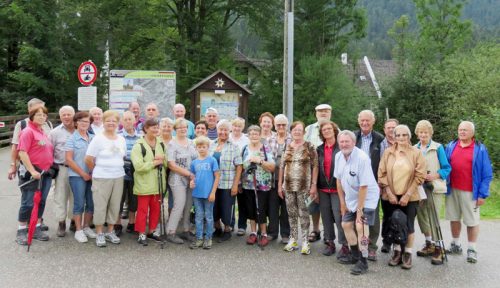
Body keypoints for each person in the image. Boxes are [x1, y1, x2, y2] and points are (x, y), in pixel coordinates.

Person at [378, 124, 426, 269]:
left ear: (409, 136)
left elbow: (420, 175)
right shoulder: (388, 152)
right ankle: (397, 252)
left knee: (409, 225)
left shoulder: (416, 153)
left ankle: (408, 253)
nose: (401, 137)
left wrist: (408, 194)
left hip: (410, 197)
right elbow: (382, 174)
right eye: (398, 135)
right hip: (391, 196)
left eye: (404, 135)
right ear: (394, 137)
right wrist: (389, 193)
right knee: (394, 223)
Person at [444, 121, 493, 264]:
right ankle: (455, 244)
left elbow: (487, 173)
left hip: (471, 192)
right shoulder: (450, 146)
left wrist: (482, 194)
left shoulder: (480, 149)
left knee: (471, 221)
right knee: (454, 218)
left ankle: (472, 248)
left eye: (465, 130)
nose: (462, 132)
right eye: (460, 129)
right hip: (452, 189)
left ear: (472, 132)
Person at [334, 130, 380, 275]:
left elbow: (364, 186)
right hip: (351, 198)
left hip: (366, 197)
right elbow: (339, 180)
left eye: (347, 141)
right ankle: (355, 256)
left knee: (361, 227)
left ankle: (364, 261)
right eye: (341, 142)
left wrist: (360, 211)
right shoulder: (338, 156)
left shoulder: (362, 158)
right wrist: (342, 203)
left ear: (353, 143)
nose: (344, 144)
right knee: (346, 224)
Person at [84, 110, 126, 247]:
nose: (111, 123)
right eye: (108, 121)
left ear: (118, 123)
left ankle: (110, 231)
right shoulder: (98, 139)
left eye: (114, 121)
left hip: (118, 176)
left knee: (115, 205)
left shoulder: (121, 139)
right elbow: (88, 159)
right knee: (101, 206)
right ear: (103, 122)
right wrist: (96, 170)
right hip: (102, 177)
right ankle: (100, 232)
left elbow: (122, 157)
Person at [414, 120, 451, 265]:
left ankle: (438, 247)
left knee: (433, 216)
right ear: (417, 134)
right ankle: (428, 243)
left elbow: (447, 168)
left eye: (426, 132)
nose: (423, 135)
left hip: (434, 187)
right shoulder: (414, 148)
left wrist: (434, 175)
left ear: (430, 133)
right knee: (422, 215)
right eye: (421, 132)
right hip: (419, 188)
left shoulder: (438, 148)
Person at [278, 121, 318, 255]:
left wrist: (314, 185)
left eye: (299, 129)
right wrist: (279, 186)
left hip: (304, 187)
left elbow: (315, 166)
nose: (297, 132)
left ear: (304, 132)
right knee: (291, 213)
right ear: (291, 132)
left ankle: (305, 241)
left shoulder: (309, 146)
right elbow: (282, 167)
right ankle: (293, 238)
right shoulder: (287, 146)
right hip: (288, 186)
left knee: (304, 213)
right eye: (294, 130)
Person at [15, 106, 53, 245]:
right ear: (31, 116)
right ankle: (21, 229)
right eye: (38, 115)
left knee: (41, 201)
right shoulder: (28, 131)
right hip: (32, 174)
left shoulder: (42, 132)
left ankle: (36, 227)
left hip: (45, 173)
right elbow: (22, 152)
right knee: (28, 202)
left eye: (44, 115)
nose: (42, 117)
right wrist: (32, 171)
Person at [131, 118, 167, 246]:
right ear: (146, 129)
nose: (156, 129)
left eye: (157, 127)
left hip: (158, 183)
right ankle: (141, 233)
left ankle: (152, 231)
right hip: (144, 184)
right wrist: (154, 163)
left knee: (156, 209)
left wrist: (162, 160)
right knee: (142, 210)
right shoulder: (138, 145)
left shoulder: (161, 144)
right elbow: (138, 167)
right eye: (153, 127)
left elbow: (166, 163)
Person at [354, 109, 384, 260]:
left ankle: (371, 247)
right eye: (362, 120)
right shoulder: (353, 137)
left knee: (371, 217)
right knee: (356, 214)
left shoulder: (380, 139)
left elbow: (384, 163)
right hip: (355, 184)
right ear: (358, 121)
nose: (365, 123)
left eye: (368, 120)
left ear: (373, 121)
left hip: (372, 184)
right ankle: (358, 245)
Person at [317, 121, 349, 258]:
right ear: (321, 133)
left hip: (338, 189)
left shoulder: (341, 147)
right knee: (326, 217)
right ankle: (329, 242)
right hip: (323, 188)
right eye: (324, 130)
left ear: (334, 130)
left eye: (329, 128)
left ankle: (345, 244)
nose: (327, 131)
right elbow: (316, 168)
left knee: (340, 216)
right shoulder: (319, 149)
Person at [65, 111, 97, 243]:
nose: (85, 124)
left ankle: (86, 227)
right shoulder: (72, 138)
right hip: (77, 176)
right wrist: (83, 174)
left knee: (91, 203)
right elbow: (69, 160)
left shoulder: (93, 137)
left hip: (93, 175)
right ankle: (78, 230)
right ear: (76, 122)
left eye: (87, 122)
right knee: (79, 203)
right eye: (82, 121)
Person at [241, 125, 275, 247]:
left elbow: (272, 166)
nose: (254, 136)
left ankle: (264, 234)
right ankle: (253, 233)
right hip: (248, 184)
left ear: (260, 135)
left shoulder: (265, 148)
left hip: (263, 185)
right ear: (248, 136)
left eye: (256, 133)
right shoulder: (245, 148)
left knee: (261, 208)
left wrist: (259, 161)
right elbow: (241, 166)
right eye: (251, 134)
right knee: (251, 209)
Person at [166, 118, 197, 244]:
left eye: (185, 127)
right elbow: (171, 165)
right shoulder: (172, 144)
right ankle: (170, 232)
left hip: (192, 179)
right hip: (178, 178)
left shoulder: (191, 142)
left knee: (188, 205)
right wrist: (189, 174)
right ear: (175, 130)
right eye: (179, 128)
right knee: (179, 204)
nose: (183, 129)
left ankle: (186, 230)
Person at [210, 119, 243, 242]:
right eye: (220, 129)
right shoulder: (211, 144)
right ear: (217, 130)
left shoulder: (234, 147)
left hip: (227, 183)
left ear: (229, 131)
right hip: (212, 184)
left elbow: (239, 166)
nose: (223, 132)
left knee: (226, 208)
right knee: (214, 207)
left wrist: (235, 185)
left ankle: (227, 230)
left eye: (225, 130)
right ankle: (217, 228)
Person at [304, 104, 332, 243]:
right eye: (320, 111)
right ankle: (315, 230)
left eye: (326, 111)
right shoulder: (308, 129)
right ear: (316, 114)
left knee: (328, 205)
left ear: (330, 113)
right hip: (312, 172)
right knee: (313, 203)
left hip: (329, 173)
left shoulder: (336, 128)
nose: (323, 113)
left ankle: (328, 233)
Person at [8, 98, 52, 184]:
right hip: (29, 169)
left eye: (43, 109)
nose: (41, 112)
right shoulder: (22, 124)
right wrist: (13, 165)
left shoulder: (48, 124)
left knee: (41, 196)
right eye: (38, 110)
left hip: (46, 170)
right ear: (29, 110)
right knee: (30, 195)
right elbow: (15, 147)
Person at [189, 136, 220, 249]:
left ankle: (208, 238)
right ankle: (199, 238)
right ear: (196, 148)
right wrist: (191, 182)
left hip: (208, 194)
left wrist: (213, 192)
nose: (201, 149)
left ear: (208, 147)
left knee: (209, 216)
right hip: (197, 194)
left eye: (204, 147)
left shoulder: (212, 160)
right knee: (198, 216)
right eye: (199, 147)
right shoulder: (194, 162)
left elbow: (217, 176)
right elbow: (192, 176)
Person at [49, 105, 76, 237]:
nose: (66, 117)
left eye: (69, 114)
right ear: (60, 117)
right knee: (60, 196)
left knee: (76, 196)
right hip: (62, 168)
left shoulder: (80, 129)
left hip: (78, 168)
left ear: (73, 115)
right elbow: (49, 151)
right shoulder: (54, 133)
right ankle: (61, 222)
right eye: (63, 114)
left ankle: (73, 220)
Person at [266, 114, 291, 243]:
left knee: (286, 208)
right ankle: (272, 232)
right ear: (275, 126)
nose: (281, 127)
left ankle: (286, 234)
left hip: (288, 180)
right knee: (272, 207)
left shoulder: (292, 139)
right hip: (272, 178)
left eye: (283, 125)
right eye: (278, 125)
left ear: (287, 125)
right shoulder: (269, 140)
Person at [118, 111, 141, 234]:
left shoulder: (140, 137)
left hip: (136, 172)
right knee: (119, 199)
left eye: (130, 119)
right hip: (120, 172)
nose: (128, 121)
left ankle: (132, 223)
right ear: (121, 122)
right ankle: (118, 224)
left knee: (134, 200)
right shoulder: (117, 136)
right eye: (125, 119)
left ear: (134, 121)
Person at [379, 118, 399, 253]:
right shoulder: (380, 145)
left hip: (402, 186)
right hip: (385, 185)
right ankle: (386, 241)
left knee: (400, 215)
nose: (391, 130)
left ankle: (399, 241)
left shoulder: (406, 143)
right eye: (388, 127)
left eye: (394, 127)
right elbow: (380, 168)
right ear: (384, 130)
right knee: (387, 215)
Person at [229, 117, 249, 236]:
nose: (237, 128)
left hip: (243, 174)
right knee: (230, 202)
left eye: (239, 126)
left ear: (243, 127)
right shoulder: (228, 137)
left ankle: (242, 226)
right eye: (235, 126)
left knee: (242, 202)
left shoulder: (246, 140)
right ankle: (230, 223)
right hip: (229, 174)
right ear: (232, 127)